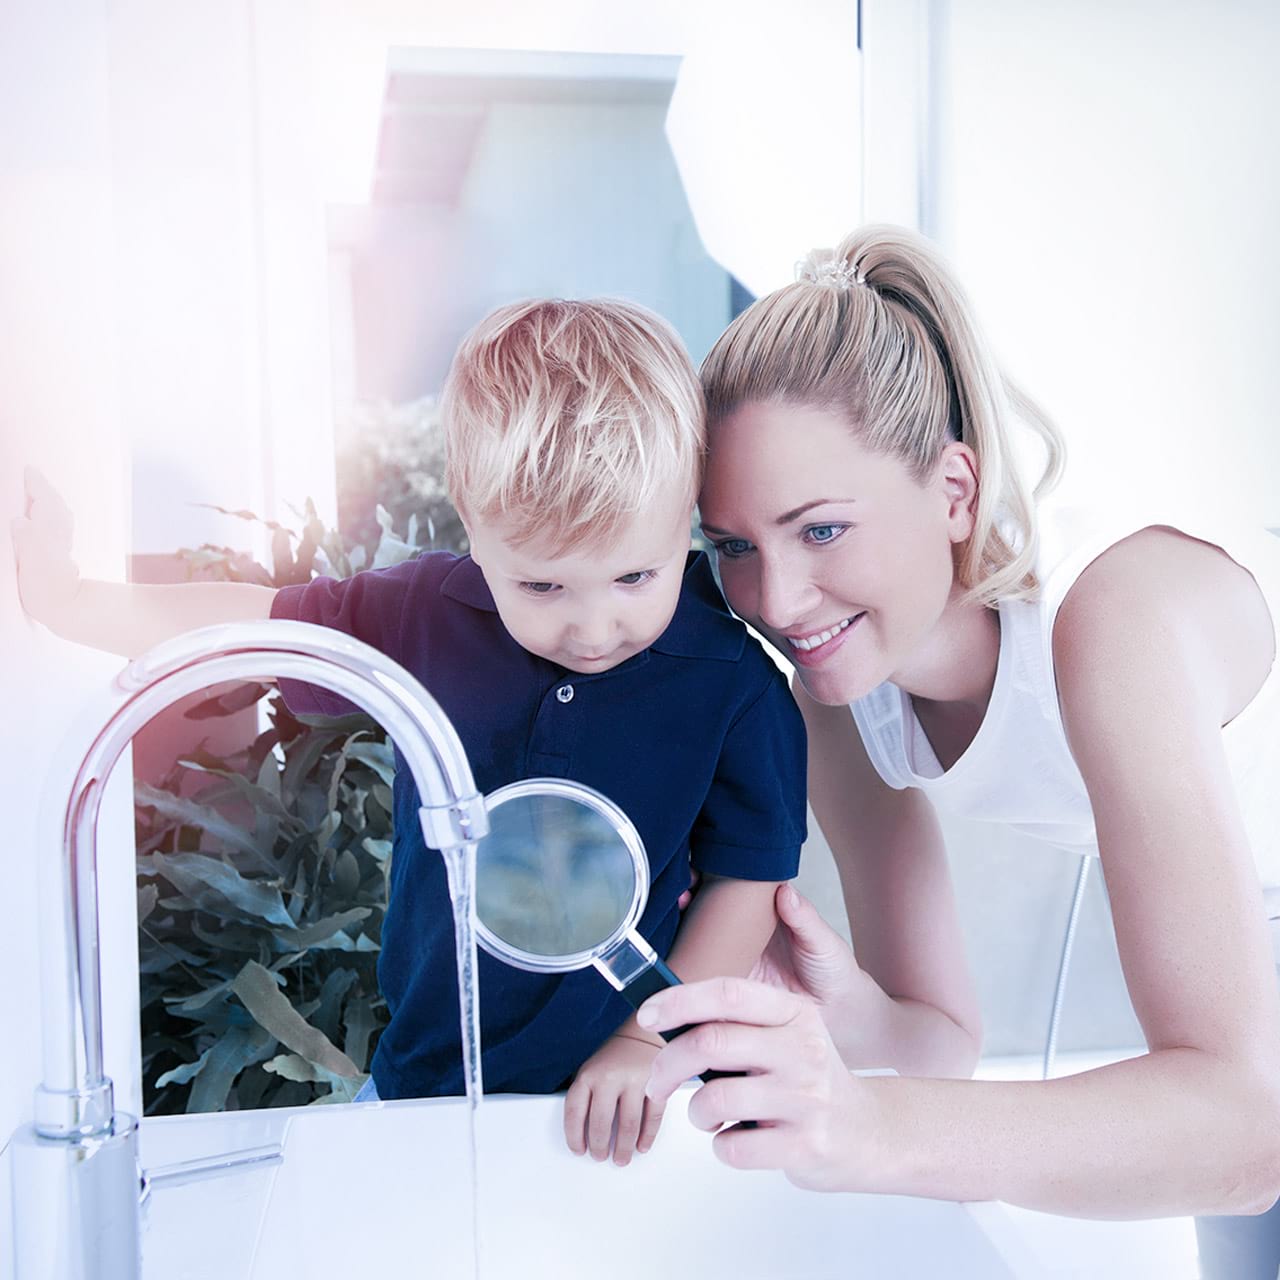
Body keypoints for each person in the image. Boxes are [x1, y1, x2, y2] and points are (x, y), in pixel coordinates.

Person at [11, 297, 806, 1167]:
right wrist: (74, 602)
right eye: (542, 587)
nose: (592, 627)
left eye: (633, 577)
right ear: (471, 518)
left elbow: (750, 878)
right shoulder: (427, 616)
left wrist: (647, 1046)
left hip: (631, 1104)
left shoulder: (734, 685)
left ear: (684, 512)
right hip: (427, 1077)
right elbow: (262, 625)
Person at [637, 225, 1280, 1277]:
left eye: (822, 529)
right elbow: (937, 1041)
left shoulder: (1112, 616)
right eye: (737, 548)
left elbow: (1242, 1128)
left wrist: (869, 1128)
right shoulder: (837, 696)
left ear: (952, 489)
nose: (776, 600)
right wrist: (837, 1012)